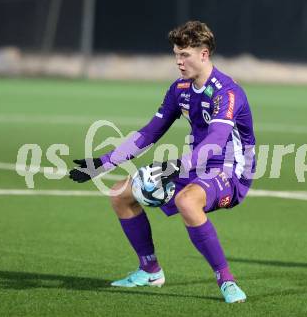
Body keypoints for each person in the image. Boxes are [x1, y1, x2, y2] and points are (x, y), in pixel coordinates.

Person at [69, 20, 256, 303]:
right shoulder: (179, 89)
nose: (178, 62)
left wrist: (172, 167)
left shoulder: (226, 92)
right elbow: (149, 133)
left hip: (232, 170)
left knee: (187, 201)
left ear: (204, 54)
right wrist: (103, 163)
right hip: (197, 163)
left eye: (185, 55)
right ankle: (150, 270)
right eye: (176, 54)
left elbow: (214, 143)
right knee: (120, 193)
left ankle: (226, 281)